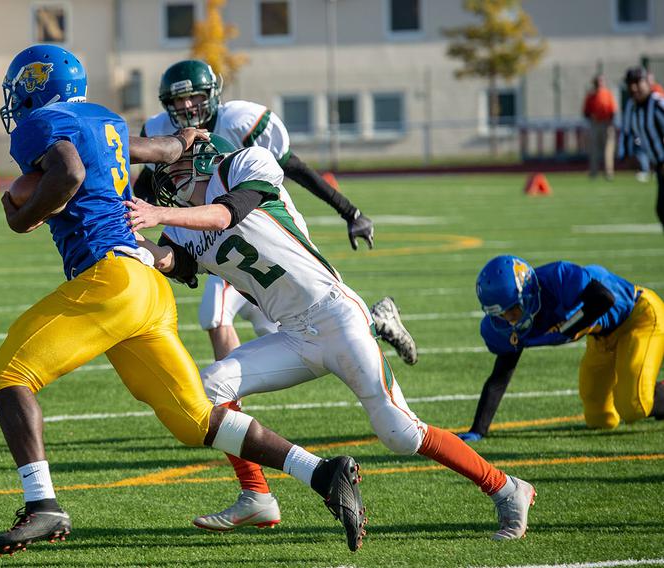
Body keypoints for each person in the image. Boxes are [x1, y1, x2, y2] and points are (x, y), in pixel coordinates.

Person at [0, 44, 367, 556]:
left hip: (110, 279)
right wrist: (186, 136)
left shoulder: (41, 124)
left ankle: (42, 505)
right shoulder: (104, 119)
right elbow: (163, 152)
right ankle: (321, 472)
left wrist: (25, 215)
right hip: (146, 284)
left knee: (6, 377)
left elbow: (69, 172)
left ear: (35, 86)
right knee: (193, 420)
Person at [123, 135, 535, 540]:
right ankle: (262, 493)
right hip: (294, 335)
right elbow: (175, 263)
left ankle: (506, 488)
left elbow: (227, 215)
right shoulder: (182, 225)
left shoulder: (241, 166)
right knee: (210, 389)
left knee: (401, 433)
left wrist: (159, 215)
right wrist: (130, 234)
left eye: (168, 164)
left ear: (196, 157)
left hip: (336, 315)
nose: (164, 178)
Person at [134, 59, 417, 367]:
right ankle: (376, 321)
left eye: (195, 96)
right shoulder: (161, 132)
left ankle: (229, 407)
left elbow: (295, 167)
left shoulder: (241, 120)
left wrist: (350, 211)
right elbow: (150, 186)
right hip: (216, 236)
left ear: (213, 93)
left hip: (256, 223)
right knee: (277, 325)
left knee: (214, 313)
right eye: (178, 99)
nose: (187, 105)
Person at [457, 255, 664, 442]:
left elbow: (603, 298)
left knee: (633, 405)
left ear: (528, 294)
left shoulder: (558, 278)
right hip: (602, 338)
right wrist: (478, 430)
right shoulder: (505, 326)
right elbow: (500, 375)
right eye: (500, 315)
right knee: (601, 418)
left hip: (639, 316)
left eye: (512, 311)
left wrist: (566, 328)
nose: (508, 320)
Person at [618, 66, 664, 231]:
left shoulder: (657, 104)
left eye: (638, 83)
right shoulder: (632, 107)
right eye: (631, 84)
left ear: (647, 82)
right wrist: (626, 154)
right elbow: (627, 131)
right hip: (659, 167)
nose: (634, 88)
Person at [581, 75, 617, 181]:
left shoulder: (608, 94)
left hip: (607, 124)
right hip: (595, 124)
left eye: (601, 81)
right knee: (594, 150)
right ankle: (593, 172)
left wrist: (611, 122)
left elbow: (613, 110)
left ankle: (609, 173)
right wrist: (591, 117)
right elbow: (585, 111)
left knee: (608, 150)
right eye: (598, 82)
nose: (600, 84)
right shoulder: (591, 95)